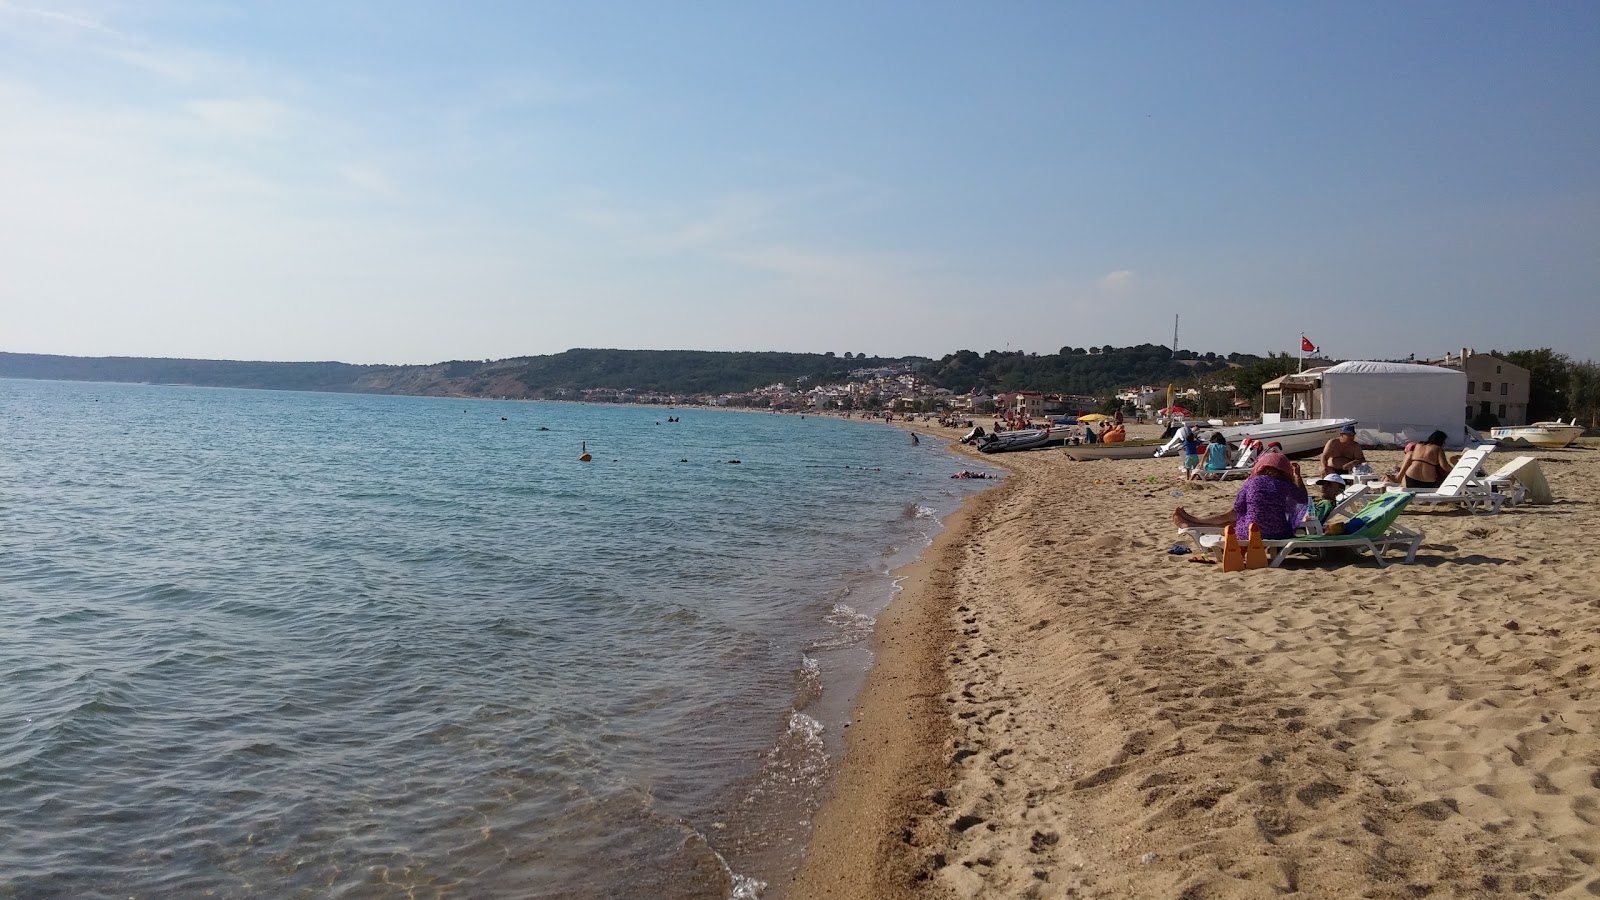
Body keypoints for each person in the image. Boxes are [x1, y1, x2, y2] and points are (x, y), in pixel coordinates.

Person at [1172, 451, 1309, 541]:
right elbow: (1303, 499)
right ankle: (1193, 522)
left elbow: (1237, 508)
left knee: (1234, 518)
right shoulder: (1285, 485)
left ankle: (1194, 521)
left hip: (1252, 534)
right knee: (1240, 519)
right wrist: (1297, 475)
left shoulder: (1252, 482)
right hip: (1279, 533)